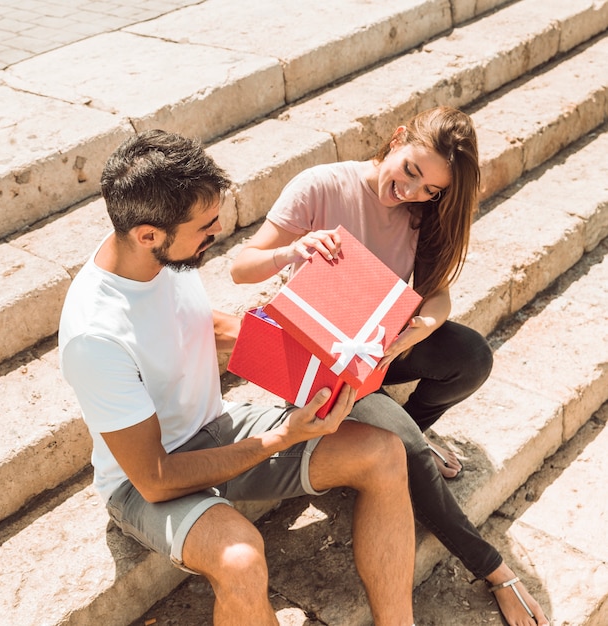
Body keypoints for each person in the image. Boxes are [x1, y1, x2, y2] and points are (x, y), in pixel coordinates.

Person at [58, 129, 417, 626]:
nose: (219, 229)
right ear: (148, 234)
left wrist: (337, 351)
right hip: (144, 483)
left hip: (215, 425)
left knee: (382, 452)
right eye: (206, 225)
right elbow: (157, 479)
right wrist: (283, 437)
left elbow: (208, 327)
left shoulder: (157, 253)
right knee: (242, 558)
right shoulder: (95, 337)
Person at [230, 106, 550, 625]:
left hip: (379, 353)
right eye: (411, 171)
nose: (410, 192)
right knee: (411, 460)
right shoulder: (321, 185)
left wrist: (417, 331)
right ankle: (493, 569)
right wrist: (294, 250)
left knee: (470, 356)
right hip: (317, 366)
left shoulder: (420, 216)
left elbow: (438, 298)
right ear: (397, 138)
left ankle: (411, 430)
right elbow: (241, 267)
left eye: (428, 189)